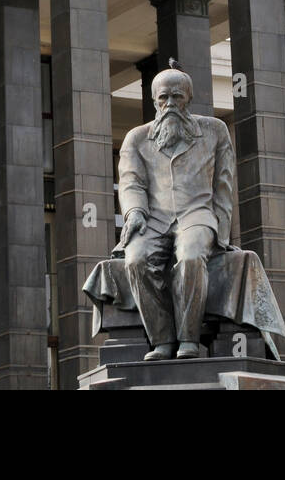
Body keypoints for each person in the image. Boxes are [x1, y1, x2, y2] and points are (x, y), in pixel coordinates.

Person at [115, 64, 235, 360]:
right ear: (155, 101)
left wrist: (220, 232)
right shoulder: (136, 138)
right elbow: (131, 182)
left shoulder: (214, 131)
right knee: (136, 258)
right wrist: (134, 213)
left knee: (192, 255)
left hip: (197, 215)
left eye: (176, 97)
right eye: (163, 98)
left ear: (189, 99)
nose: (169, 104)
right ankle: (163, 340)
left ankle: (189, 339)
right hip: (153, 218)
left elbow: (224, 184)